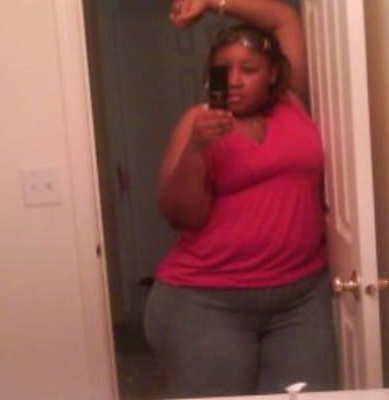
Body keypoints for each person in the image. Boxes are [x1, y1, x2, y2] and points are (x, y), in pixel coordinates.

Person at [144, 0, 338, 397]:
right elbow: (181, 216)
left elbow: (283, 17)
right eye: (224, 70)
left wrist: (211, 3)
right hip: (206, 301)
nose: (234, 80)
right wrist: (197, 148)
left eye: (249, 70)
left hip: (300, 300)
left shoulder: (292, 103)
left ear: (272, 74)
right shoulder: (197, 123)